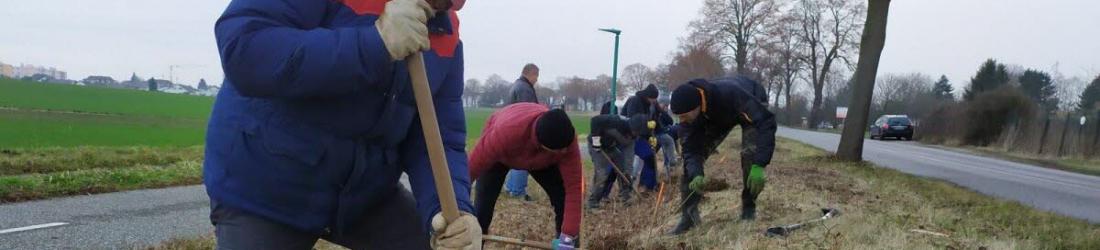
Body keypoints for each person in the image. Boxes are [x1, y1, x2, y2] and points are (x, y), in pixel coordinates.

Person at [203, 0, 480, 249]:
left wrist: (451, 208)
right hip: (267, 185)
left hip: (361, 196)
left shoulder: (446, 32)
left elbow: (439, 138)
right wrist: (376, 42)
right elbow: (246, 48)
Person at [666, 76, 777, 235]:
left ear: (696, 106)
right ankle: (688, 217)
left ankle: (748, 207)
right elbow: (691, 151)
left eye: (684, 115)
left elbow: (766, 122)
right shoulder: (688, 120)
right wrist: (696, 173)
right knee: (689, 168)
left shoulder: (729, 93)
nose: (681, 120)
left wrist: (760, 164)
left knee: (750, 155)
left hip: (748, 102)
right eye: (679, 116)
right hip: (716, 118)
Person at [468, 103, 582, 249]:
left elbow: (574, 189)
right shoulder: (504, 133)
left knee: (562, 197)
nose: (564, 152)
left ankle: (566, 242)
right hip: (501, 155)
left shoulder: (567, 141)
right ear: (543, 145)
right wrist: (454, 209)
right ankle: (474, 246)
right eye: (559, 150)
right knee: (483, 205)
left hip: (542, 161)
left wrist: (569, 235)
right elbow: (469, 172)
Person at [585, 102, 636, 208]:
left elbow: (629, 157)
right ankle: (592, 203)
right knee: (602, 174)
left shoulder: (632, 136)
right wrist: (595, 140)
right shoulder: (617, 122)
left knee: (623, 169)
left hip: (611, 147)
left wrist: (628, 171)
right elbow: (594, 120)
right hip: (597, 147)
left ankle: (625, 196)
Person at [503, 63, 541, 201]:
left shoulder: (517, 85)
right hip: (522, 129)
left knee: (515, 159)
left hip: (512, 127)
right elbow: (528, 112)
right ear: (530, 74)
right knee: (523, 159)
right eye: (536, 76)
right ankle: (518, 190)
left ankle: (511, 187)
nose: (536, 79)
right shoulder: (525, 89)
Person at [621, 84, 660, 191]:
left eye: (655, 99)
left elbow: (655, 119)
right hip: (629, 136)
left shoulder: (651, 105)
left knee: (650, 157)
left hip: (643, 136)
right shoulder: (634, 101)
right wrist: (647, 121)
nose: (654, 101)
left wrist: (652, 135)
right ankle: (623, 191)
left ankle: (647, 185)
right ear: (647, 96)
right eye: (652, 98)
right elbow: (632, 120)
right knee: (623, 164)